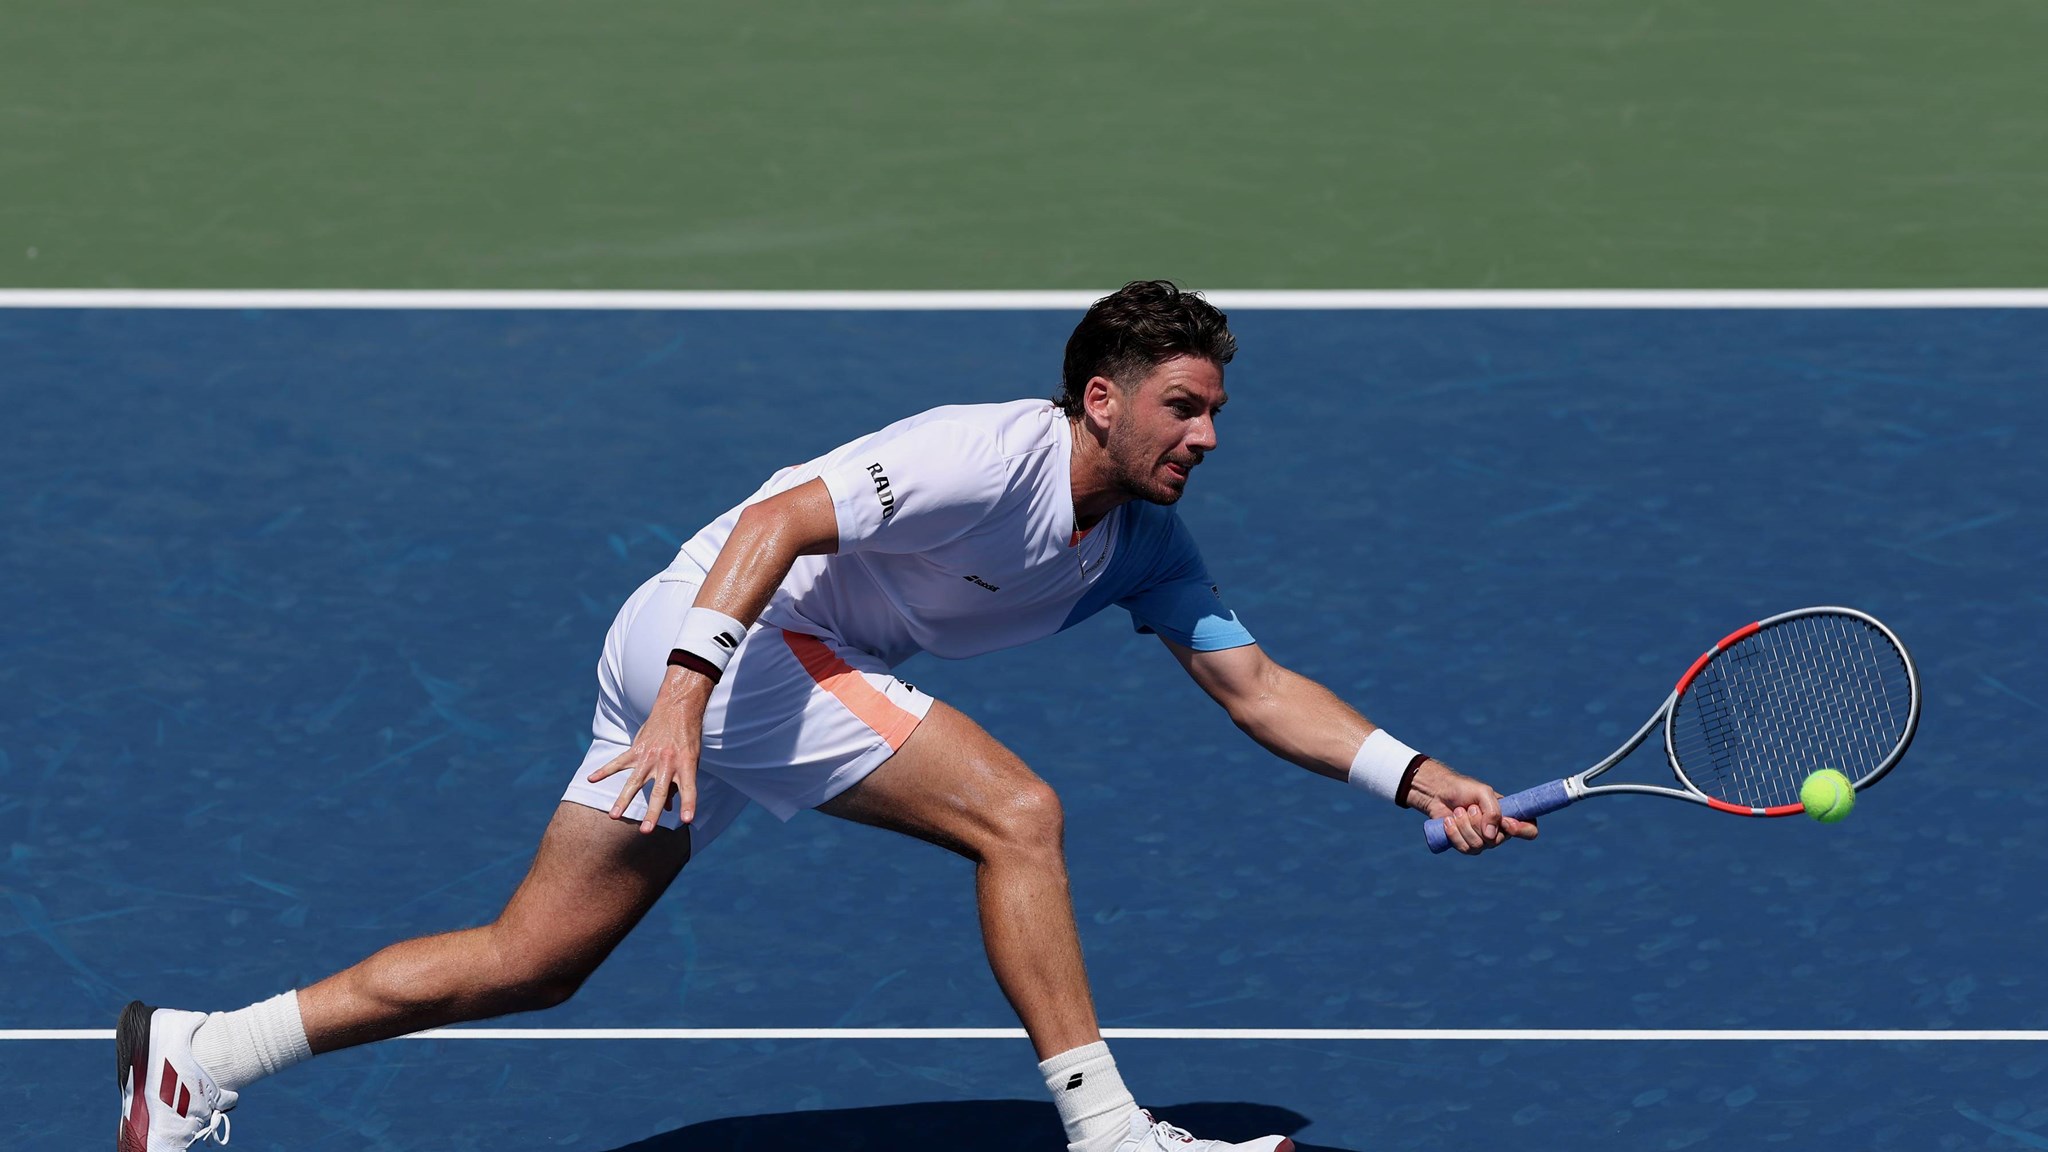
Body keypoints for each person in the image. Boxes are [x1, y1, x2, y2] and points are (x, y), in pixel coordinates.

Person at [116, 281, 1537, 1152]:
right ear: (1101, 399)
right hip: (719, 640)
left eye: (1216, 411)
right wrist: (685, 698)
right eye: (1183, 407)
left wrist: (1415, 776)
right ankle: (1109, 1133)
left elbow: (1257, 688)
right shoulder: (985, 454)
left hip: (745, 675)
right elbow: (777, 520)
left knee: (532, 961)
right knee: (1018, 815)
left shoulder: (1148, 547)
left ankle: (204, 1051)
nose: (1207, 436)